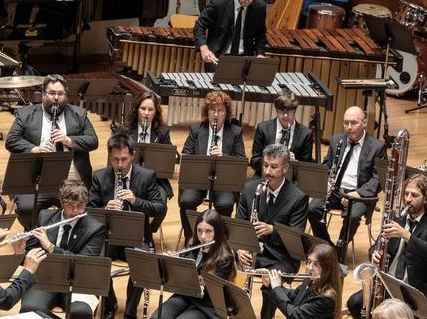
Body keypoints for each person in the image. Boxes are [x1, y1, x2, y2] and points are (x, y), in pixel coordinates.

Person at [17, 181, 106, 319]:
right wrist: (21, 249)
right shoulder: (45, 217)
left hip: (78, 282)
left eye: (80, 205)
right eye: (71, 205)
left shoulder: (95, 228)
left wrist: (50, 247)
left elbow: (84, 262)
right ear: (61, 202)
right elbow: (32, 247)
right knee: (30, 307)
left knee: (80, 311)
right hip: (47, 278)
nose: (76, 210)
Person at [89, 133, 167, 319]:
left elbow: (160, 208)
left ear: (132, 156)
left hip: (136, 236)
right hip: (108, 236)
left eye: (124, 159)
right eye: (115, 159)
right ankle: (109, 304)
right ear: (109, 157)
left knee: (142, 261)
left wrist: (135, 201)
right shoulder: (100, 177)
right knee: (96, 259)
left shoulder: (146, 176)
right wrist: (106, 208)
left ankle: (131, 313)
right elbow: (88, 210)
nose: (120, 165)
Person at [149, 209, 236, 319]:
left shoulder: (224, 257)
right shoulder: (191, 244)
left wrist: (196, 278)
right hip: (187, 296)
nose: (203, 237)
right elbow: (180, 277)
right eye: (199, 231)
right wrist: (172, 263)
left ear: (217, 232)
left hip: (208, 304)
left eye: (208, 231)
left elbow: (213, 290)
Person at [347, 174, 427, 319]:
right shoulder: (399, 218)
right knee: (354, 303)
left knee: (388, 316)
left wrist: (406, 235)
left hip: (413, 290)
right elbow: (375, 245)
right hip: (389, 282)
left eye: (414, 195)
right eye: (406, 194)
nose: (408, 199)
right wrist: (375, 253)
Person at [5, 74, 100, 226]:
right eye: (52, 93)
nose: (56, 98)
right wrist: (36, 149)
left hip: (72, 181)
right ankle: (35, 236)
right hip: (37, 180)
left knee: (84, 208)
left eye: (60, 94)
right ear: (43, 95)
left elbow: (93, 141)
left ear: (66, 95)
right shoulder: (25, 114)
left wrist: (68, 140)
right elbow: (11, 141)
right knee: (26, 208)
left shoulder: (79, 115)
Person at [235, 143, 309, 319]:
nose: (268, 171)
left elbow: (296, 237)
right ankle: (234, 317)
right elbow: (238, 224)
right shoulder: (250, 189)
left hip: (280, 256)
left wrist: (273, 230)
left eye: (273, 167)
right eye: (265, 165)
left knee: (271, 278)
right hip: (251, 250)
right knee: (221, 262)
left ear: (285, 168)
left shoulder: (298, 197)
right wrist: (239, 249)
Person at [307, 106, 386, 262]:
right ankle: (328, 247)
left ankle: (340, 249)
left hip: (359, 193)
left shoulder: (378, 147)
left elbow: (378, 180)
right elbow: (326, 166)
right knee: (312, 208)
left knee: (353, 215)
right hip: (336, 189)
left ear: (364, 122)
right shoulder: (337, 140)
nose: (349, 128)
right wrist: (325, 181)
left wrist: (357, 194)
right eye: (346, 123)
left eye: (354, 123)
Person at [178, 91, 246, 234]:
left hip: (224, 182)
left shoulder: (235, 132)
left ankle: (220, 239)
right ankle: (191, 237)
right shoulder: (196, 130)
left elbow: (241, 160)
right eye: (212, 110)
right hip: (198, 181)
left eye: (220, 110)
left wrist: (223, 156)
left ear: (226, 114)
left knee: (226, 203)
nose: (216, 114)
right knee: (186, 201)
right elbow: (185, 156)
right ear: (207, 112)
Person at [193, 0, 267, 71]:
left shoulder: (259, 7)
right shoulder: (218, 3)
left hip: (245, 59)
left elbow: (260, 33)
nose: (247, 1)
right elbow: (199, 26)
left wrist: (260, 54)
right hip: (218, 58)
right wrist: (204, 48)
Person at [124, 92, 174, 228]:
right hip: (128, 177)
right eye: (143, 108)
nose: (146, 113)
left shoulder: (163, 132)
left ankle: (149, 231)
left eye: (150, 109)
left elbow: (169, 160)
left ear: (155, 112)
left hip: (155, 179)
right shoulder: (125, 130)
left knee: (161, 205)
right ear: (137, 109)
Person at [250, 90, 314, 174]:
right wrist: (269, 159)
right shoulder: (263, 128)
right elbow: (254, 162)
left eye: (289, 111)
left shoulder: (306, 134)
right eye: (281, 111)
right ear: (276, 109)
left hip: (292, 179)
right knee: (248, 186)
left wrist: (295, 163)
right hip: (266, 175)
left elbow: (307, 168)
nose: (285, 115)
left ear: (295, 110)